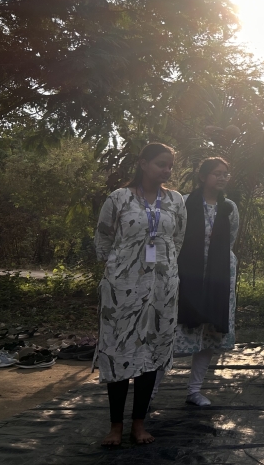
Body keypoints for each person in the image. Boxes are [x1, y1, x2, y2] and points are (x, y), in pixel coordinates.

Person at [94, 143, 187, 446]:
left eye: (170, 165)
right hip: (122, 289)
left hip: (162, 289)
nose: (167, 170)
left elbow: (178, 238)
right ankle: (115, 426)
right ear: (143, 163)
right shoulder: (119, 198)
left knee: (151, 353)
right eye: (161, 164)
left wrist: (162, 269)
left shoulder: (175, 200)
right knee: (120, 351)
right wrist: (120, 269)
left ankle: (138, 424)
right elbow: (104, 237)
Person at [169, 157, 240, 406]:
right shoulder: (184, 203)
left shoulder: (229, 207)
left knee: (209, 331)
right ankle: (152, 390)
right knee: (173, 330)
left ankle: (194, 390)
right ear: (202, 177)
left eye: (225, 174)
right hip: (187, 275)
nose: (221, 178)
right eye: (216, 173)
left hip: (219, 277)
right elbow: (175, 238)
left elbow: (230, 240)